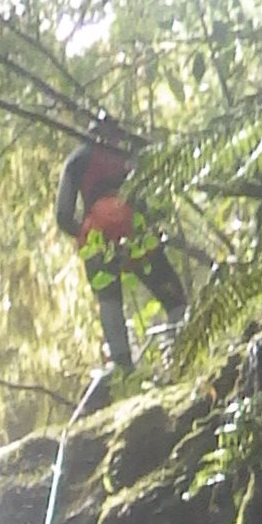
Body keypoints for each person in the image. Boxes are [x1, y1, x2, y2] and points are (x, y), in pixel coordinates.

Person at [54, 114, 186, 373]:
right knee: (175, 300)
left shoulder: (77, 159)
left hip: (97, 234)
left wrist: (85, 236)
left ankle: (123, 367)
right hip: (134, 229)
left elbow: (62, 215)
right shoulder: (129, 154)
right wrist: (152, 229)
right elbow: (151, 199)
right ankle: (177, 354)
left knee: (109, 300)